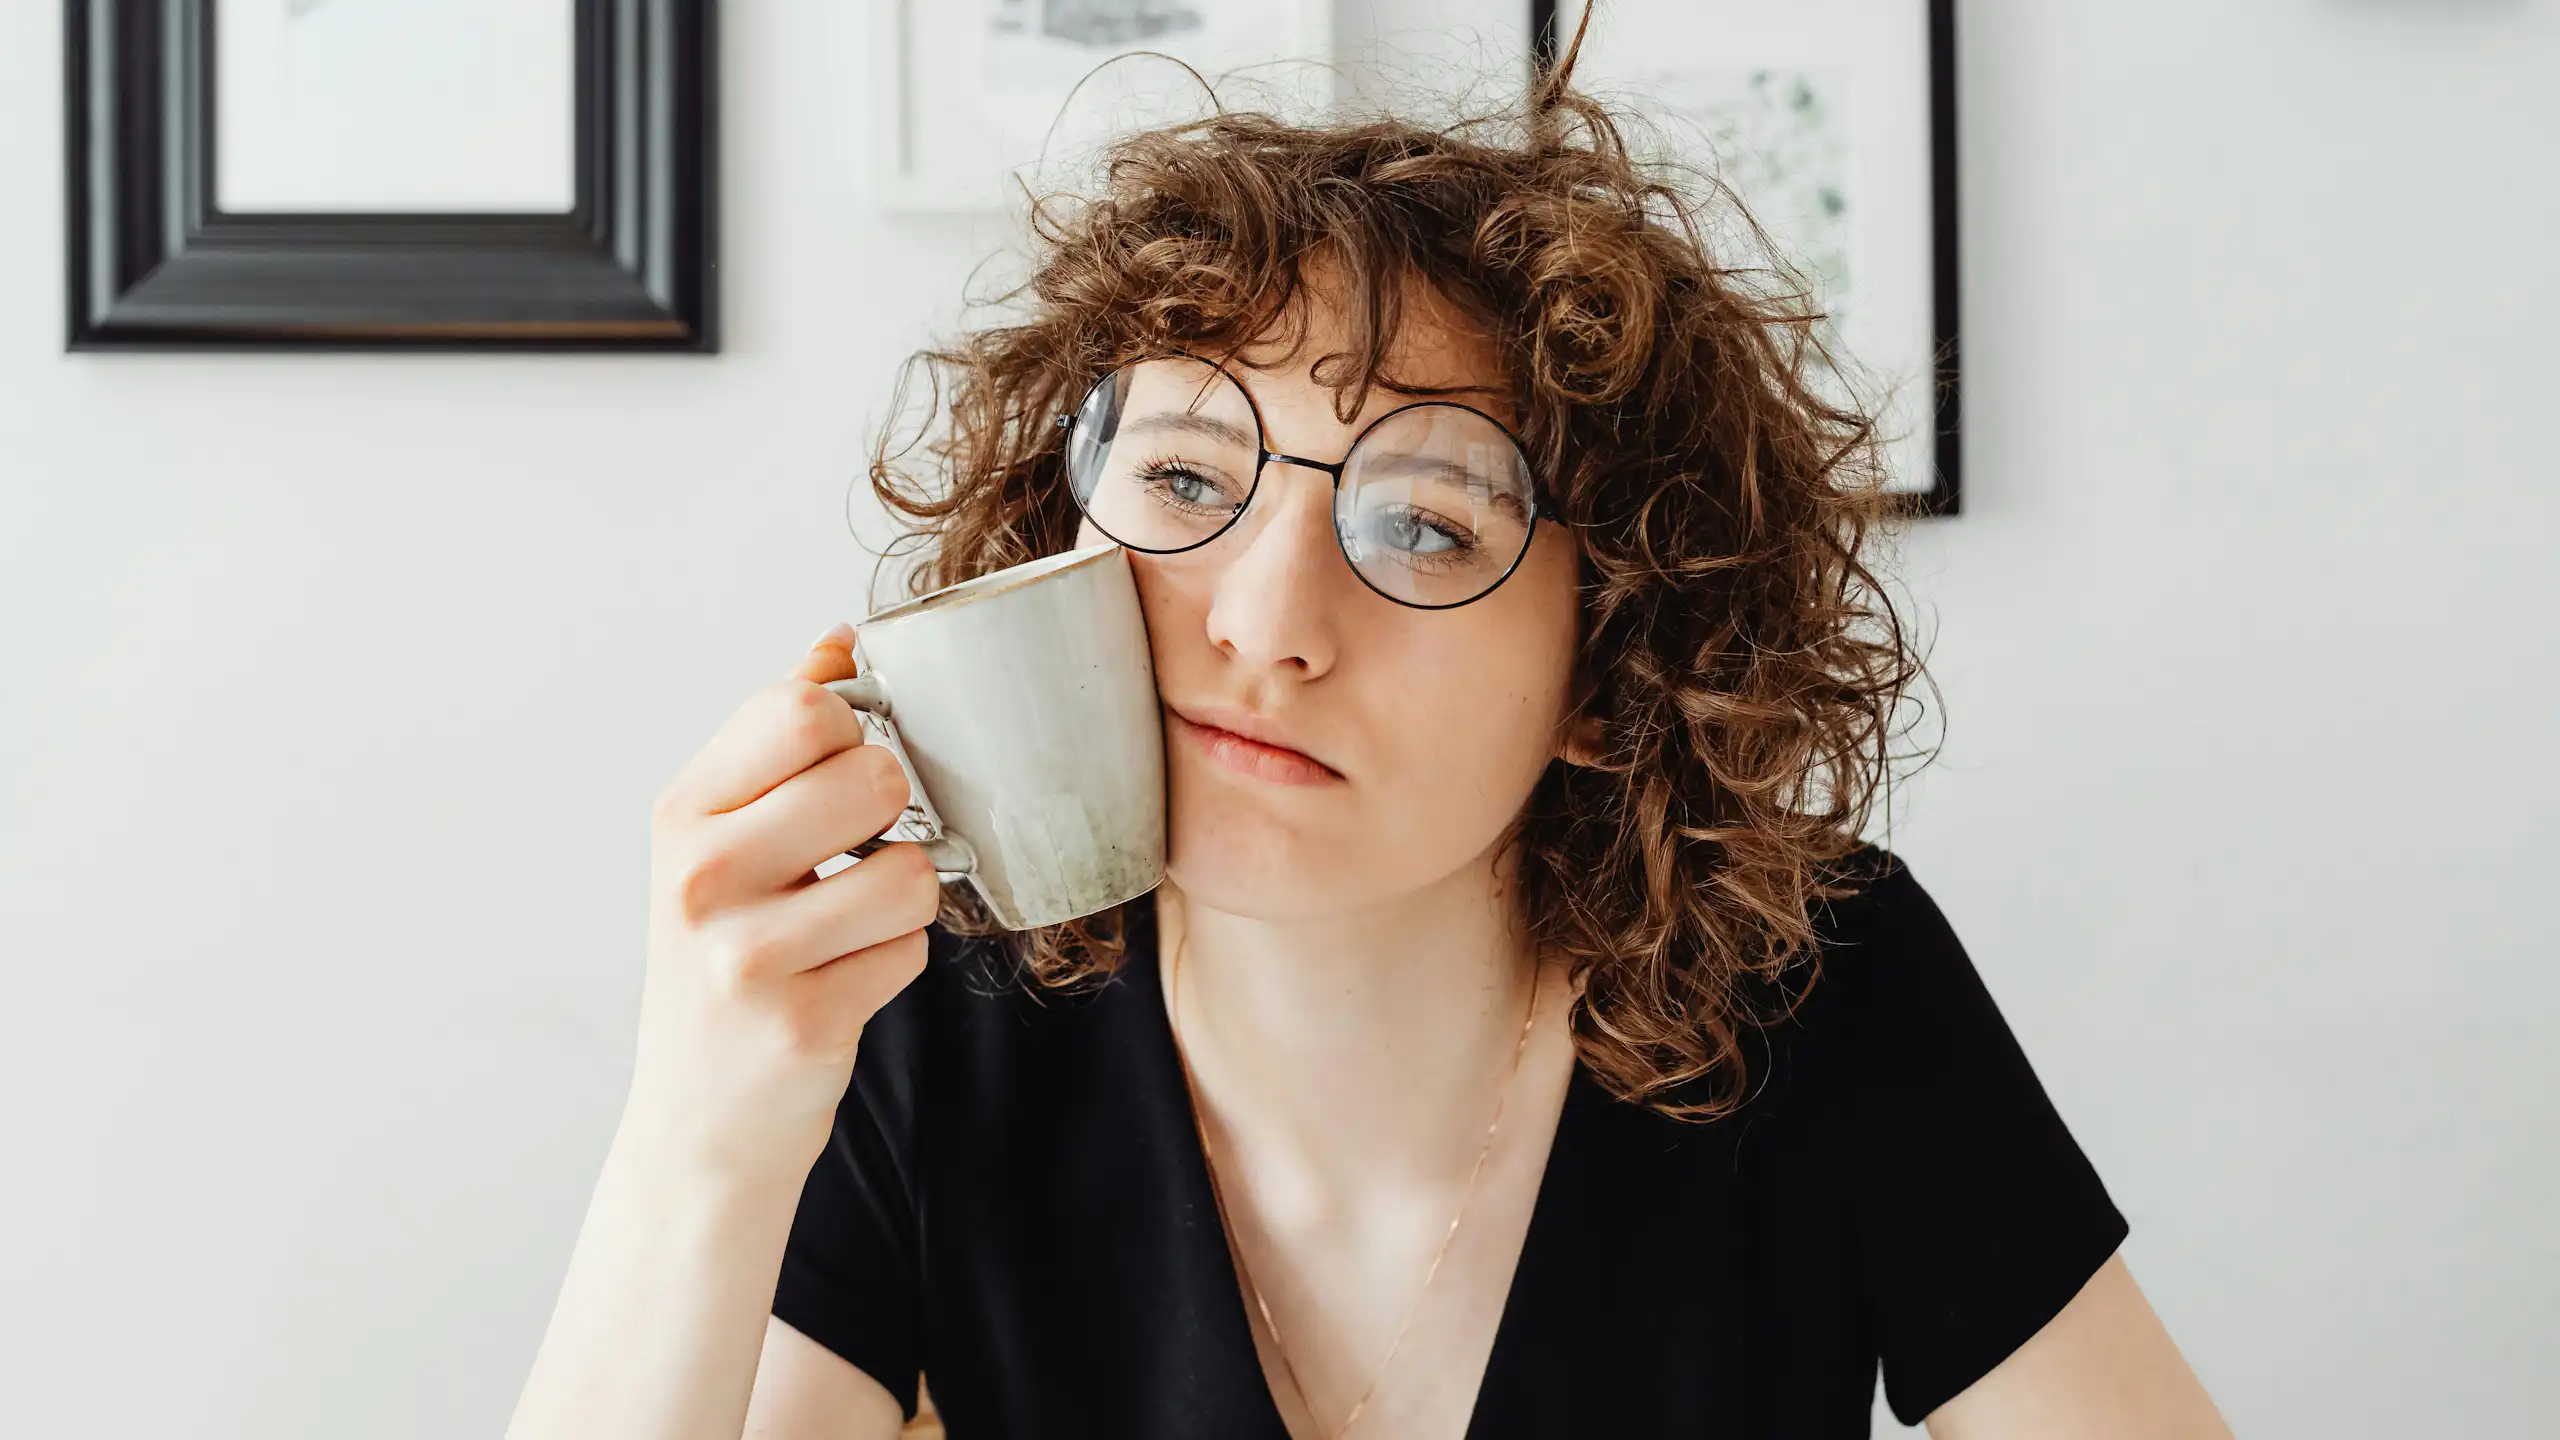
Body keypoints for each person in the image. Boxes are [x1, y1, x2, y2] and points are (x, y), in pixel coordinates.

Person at [506, 33, 2233, 1440]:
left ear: (1612, 676)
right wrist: (701, 1135)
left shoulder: (1809, 982)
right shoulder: (924, 1013)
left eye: (1426, 525)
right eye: (1183, 477)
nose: (1261, 622)